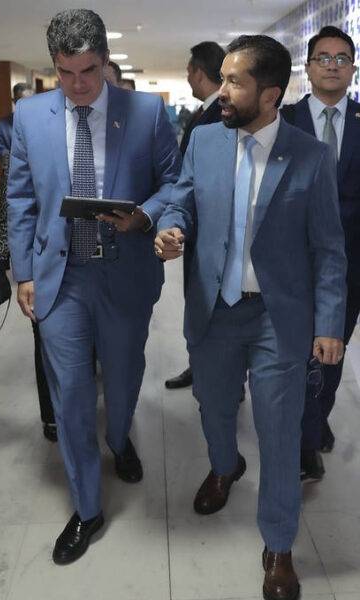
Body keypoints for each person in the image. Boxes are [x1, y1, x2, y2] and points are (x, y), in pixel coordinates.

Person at [156, 35, 347, 600]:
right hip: (213, 311)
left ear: (270, 94)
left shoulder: (310, 155)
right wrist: (172, 226)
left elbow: (329, 248)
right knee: (214, 408)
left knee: (280, 433)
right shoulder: (204, 140)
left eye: (234, 82)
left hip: (277, 319)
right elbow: (181, 197)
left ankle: (280, 545)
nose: (221, 91)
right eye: (221, 78)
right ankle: (224, 466)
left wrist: (329, 323)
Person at [7, 9, 181, 565]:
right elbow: (20, 198)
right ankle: (87, 507)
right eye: (66, 72)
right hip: (61, 277)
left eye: (88, 71)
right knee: (72, 394)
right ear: (54, 66)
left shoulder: (147, 112)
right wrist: (24, 272)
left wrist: (144, 215)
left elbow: (174, 183)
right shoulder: (29, 115)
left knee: (123, 379)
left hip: (123, 270)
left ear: (105, 61)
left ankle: (120, 437)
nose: (78, 84)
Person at [281, 26, 360, 482]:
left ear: (352, 69)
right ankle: (303, 432)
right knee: (292, 354)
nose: (332, 65)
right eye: (323, 57)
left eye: (341, 58)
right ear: (308, 68)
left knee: (330, 353)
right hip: (289, 263)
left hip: (349, 266)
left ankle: (308, 435)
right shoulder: (283, 121)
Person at [0, 82, 57, 442]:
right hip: (40, 260)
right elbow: (10, 211)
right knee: (43, 337)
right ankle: (52, 416)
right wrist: (20, 271)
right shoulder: (16, 153)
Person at [165, 40, 225, 391]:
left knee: (209, 303)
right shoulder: (204, 112)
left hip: (208, 229)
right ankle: (202, 366)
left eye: (189, 72)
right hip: (194, 225)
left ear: (199, 73)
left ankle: (216, 375)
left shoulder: (219, 115)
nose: (188, 78)